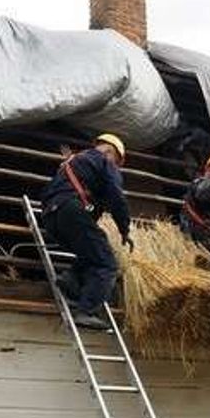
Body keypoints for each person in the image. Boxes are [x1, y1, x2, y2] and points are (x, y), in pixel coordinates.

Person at [40, 133, 133, 330]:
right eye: (117, 161)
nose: (116, 166)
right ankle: (86, 311)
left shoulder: (73, 162)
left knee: (91, 249)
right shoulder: (104, 161)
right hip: (71, 211)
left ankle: (70, 280)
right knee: (107, 263)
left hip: (50, 218)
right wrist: (125, 229)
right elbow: (117, 197)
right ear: (110, 151)